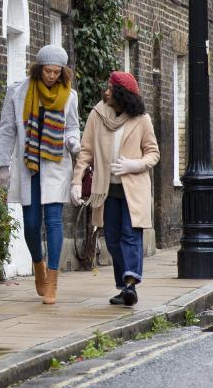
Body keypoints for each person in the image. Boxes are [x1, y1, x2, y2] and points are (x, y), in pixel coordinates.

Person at [0, 44, 81, 305]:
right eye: (47, 71)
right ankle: (38, 264)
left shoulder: (70, 96)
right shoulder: (18, 92)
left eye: (56, 72)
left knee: (53, 221)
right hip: (28, 165)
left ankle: (52, 279)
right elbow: (7, 130)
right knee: (31, 224)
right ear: (39, 69)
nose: (51, 76)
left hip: (55, 166)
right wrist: (2, 166)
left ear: (62, 72)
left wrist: (73, 142)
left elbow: (72, 127)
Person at [72, 71, 160, 307]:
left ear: (122, 94)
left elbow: (153, 153)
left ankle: (130, 284)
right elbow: (86, 152)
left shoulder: (141, 119)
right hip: (106, 190)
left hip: (133, 191)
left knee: (130, 236)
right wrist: (76, 182)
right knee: (112, 239)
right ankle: (124, 287)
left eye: (111, 89)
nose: (106, 92)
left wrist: (135, 164)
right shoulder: (97, 115)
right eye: (107, 88)